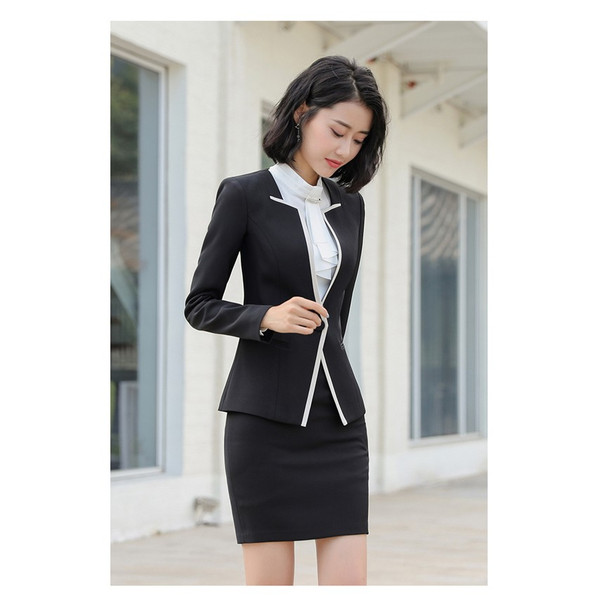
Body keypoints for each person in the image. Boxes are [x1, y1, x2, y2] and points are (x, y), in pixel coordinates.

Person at [184, 55, 388, 585]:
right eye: (337, 131)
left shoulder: (351, 207)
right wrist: (266, 316)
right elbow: (199, 304)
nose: (345, 150)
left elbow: (337, 317)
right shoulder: (244, 194)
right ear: (302, 113)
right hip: (264, 418)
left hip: (339, 420)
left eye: (359, 139)